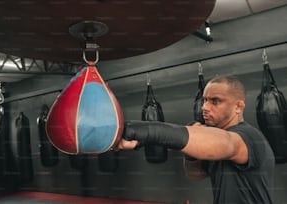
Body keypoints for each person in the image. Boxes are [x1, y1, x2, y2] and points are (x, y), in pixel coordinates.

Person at [116, 75, 275, 204]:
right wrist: (191, 152)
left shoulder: (249, 137)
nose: (204, 107)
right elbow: (196, 175)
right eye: (205, 100)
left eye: (215, 101)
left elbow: (228, 143)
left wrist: (144, 131)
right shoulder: (214, 141)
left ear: (238, 107)